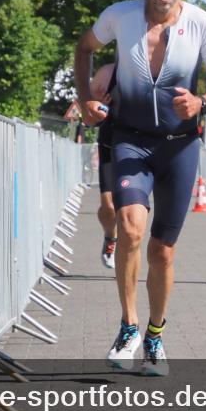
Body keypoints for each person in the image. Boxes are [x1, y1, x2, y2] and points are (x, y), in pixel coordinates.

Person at [74, 0, 206, 375]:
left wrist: (203, 103)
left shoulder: (202, 24)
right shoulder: (120, 16)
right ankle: (128, 326)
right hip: (130, 137)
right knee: (129, 227)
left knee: (162, 251)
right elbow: (84, 47)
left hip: (180, 146)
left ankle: (155, 336)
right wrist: (83, 98)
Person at [91, 64, 118, 269]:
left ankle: (127, 255)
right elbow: (87, 115)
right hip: (110, 146)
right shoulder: (106, 73)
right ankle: (111, 237)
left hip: (140, 149)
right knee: (108, 206)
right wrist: (97, 107)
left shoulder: (156, 70)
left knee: (130, 210)